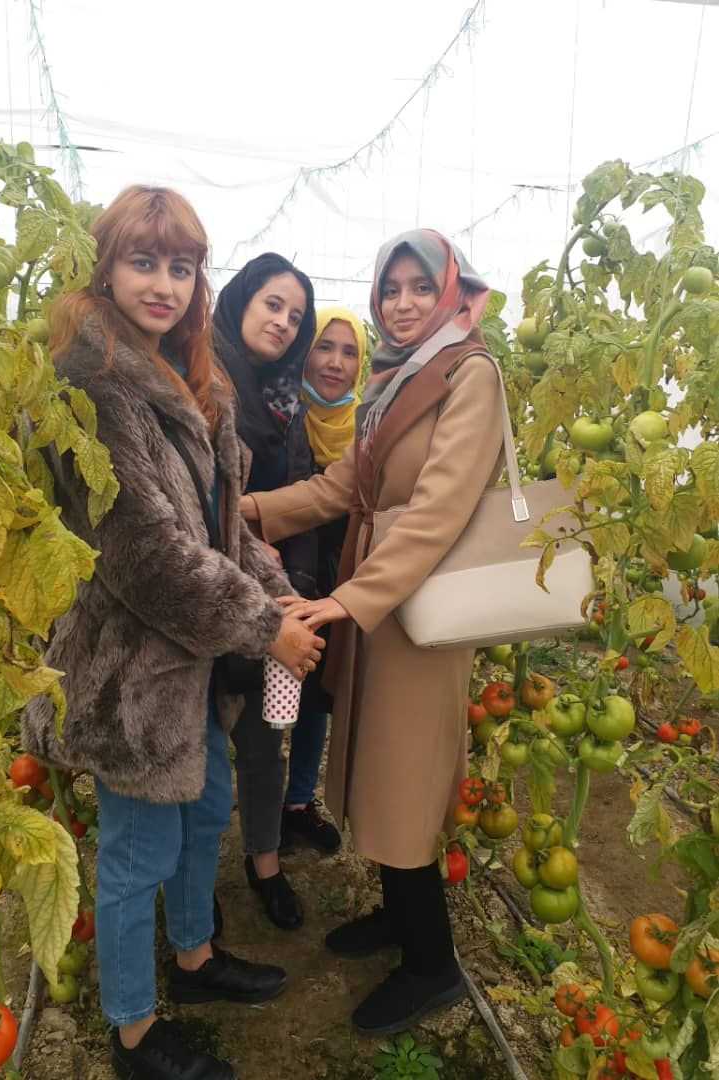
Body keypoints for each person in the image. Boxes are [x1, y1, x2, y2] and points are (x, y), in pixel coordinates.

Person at [22, 187, 323, 1080]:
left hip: (190, 660)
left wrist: (278, 595)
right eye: (142, 262)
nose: (163, 284)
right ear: (105, 266)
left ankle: (193, 959)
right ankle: (131, 1031)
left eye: (181, 267)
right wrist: (267, 627)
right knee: (137, 850)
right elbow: (146, 555)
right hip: (132, 668)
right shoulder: (92, 385)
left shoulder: (195, 380)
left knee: (206, 814)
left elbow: (223, 529)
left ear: (200, 280)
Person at [240, 229, 503, 1036]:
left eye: (420, 287)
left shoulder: (471, 374)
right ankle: (398, 920)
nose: (402, 302)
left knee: (405, 775)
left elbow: (439, 512)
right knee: (379, 762)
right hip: (383, 594)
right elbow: (339, 486)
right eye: (390, 289)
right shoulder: (393, 382)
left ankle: (433, 966)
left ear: (451, 290)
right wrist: (248, 510)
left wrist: (354, 597)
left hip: (419, 604)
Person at [211, 253, 320, 931]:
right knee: (194, 747)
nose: (282, 322)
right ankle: (195, 890)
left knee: (260, 742)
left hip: (273, 599)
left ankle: (264, 864)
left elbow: (305, 500)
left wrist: (296, 587)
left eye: (295, 316)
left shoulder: (289, 402)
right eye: (272, 304)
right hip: (210, 597)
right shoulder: (203, 380)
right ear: (242, 300)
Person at [279, 307, 366, 854]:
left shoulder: (370, 423)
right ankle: (263, 810)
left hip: (340, 574)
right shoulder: (278, 410)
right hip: (276, 568)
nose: (335, 362)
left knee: (316, 693)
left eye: (349, 350)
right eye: (324, 347)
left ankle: (297, 801)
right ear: (304, 352)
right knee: (269, 691)